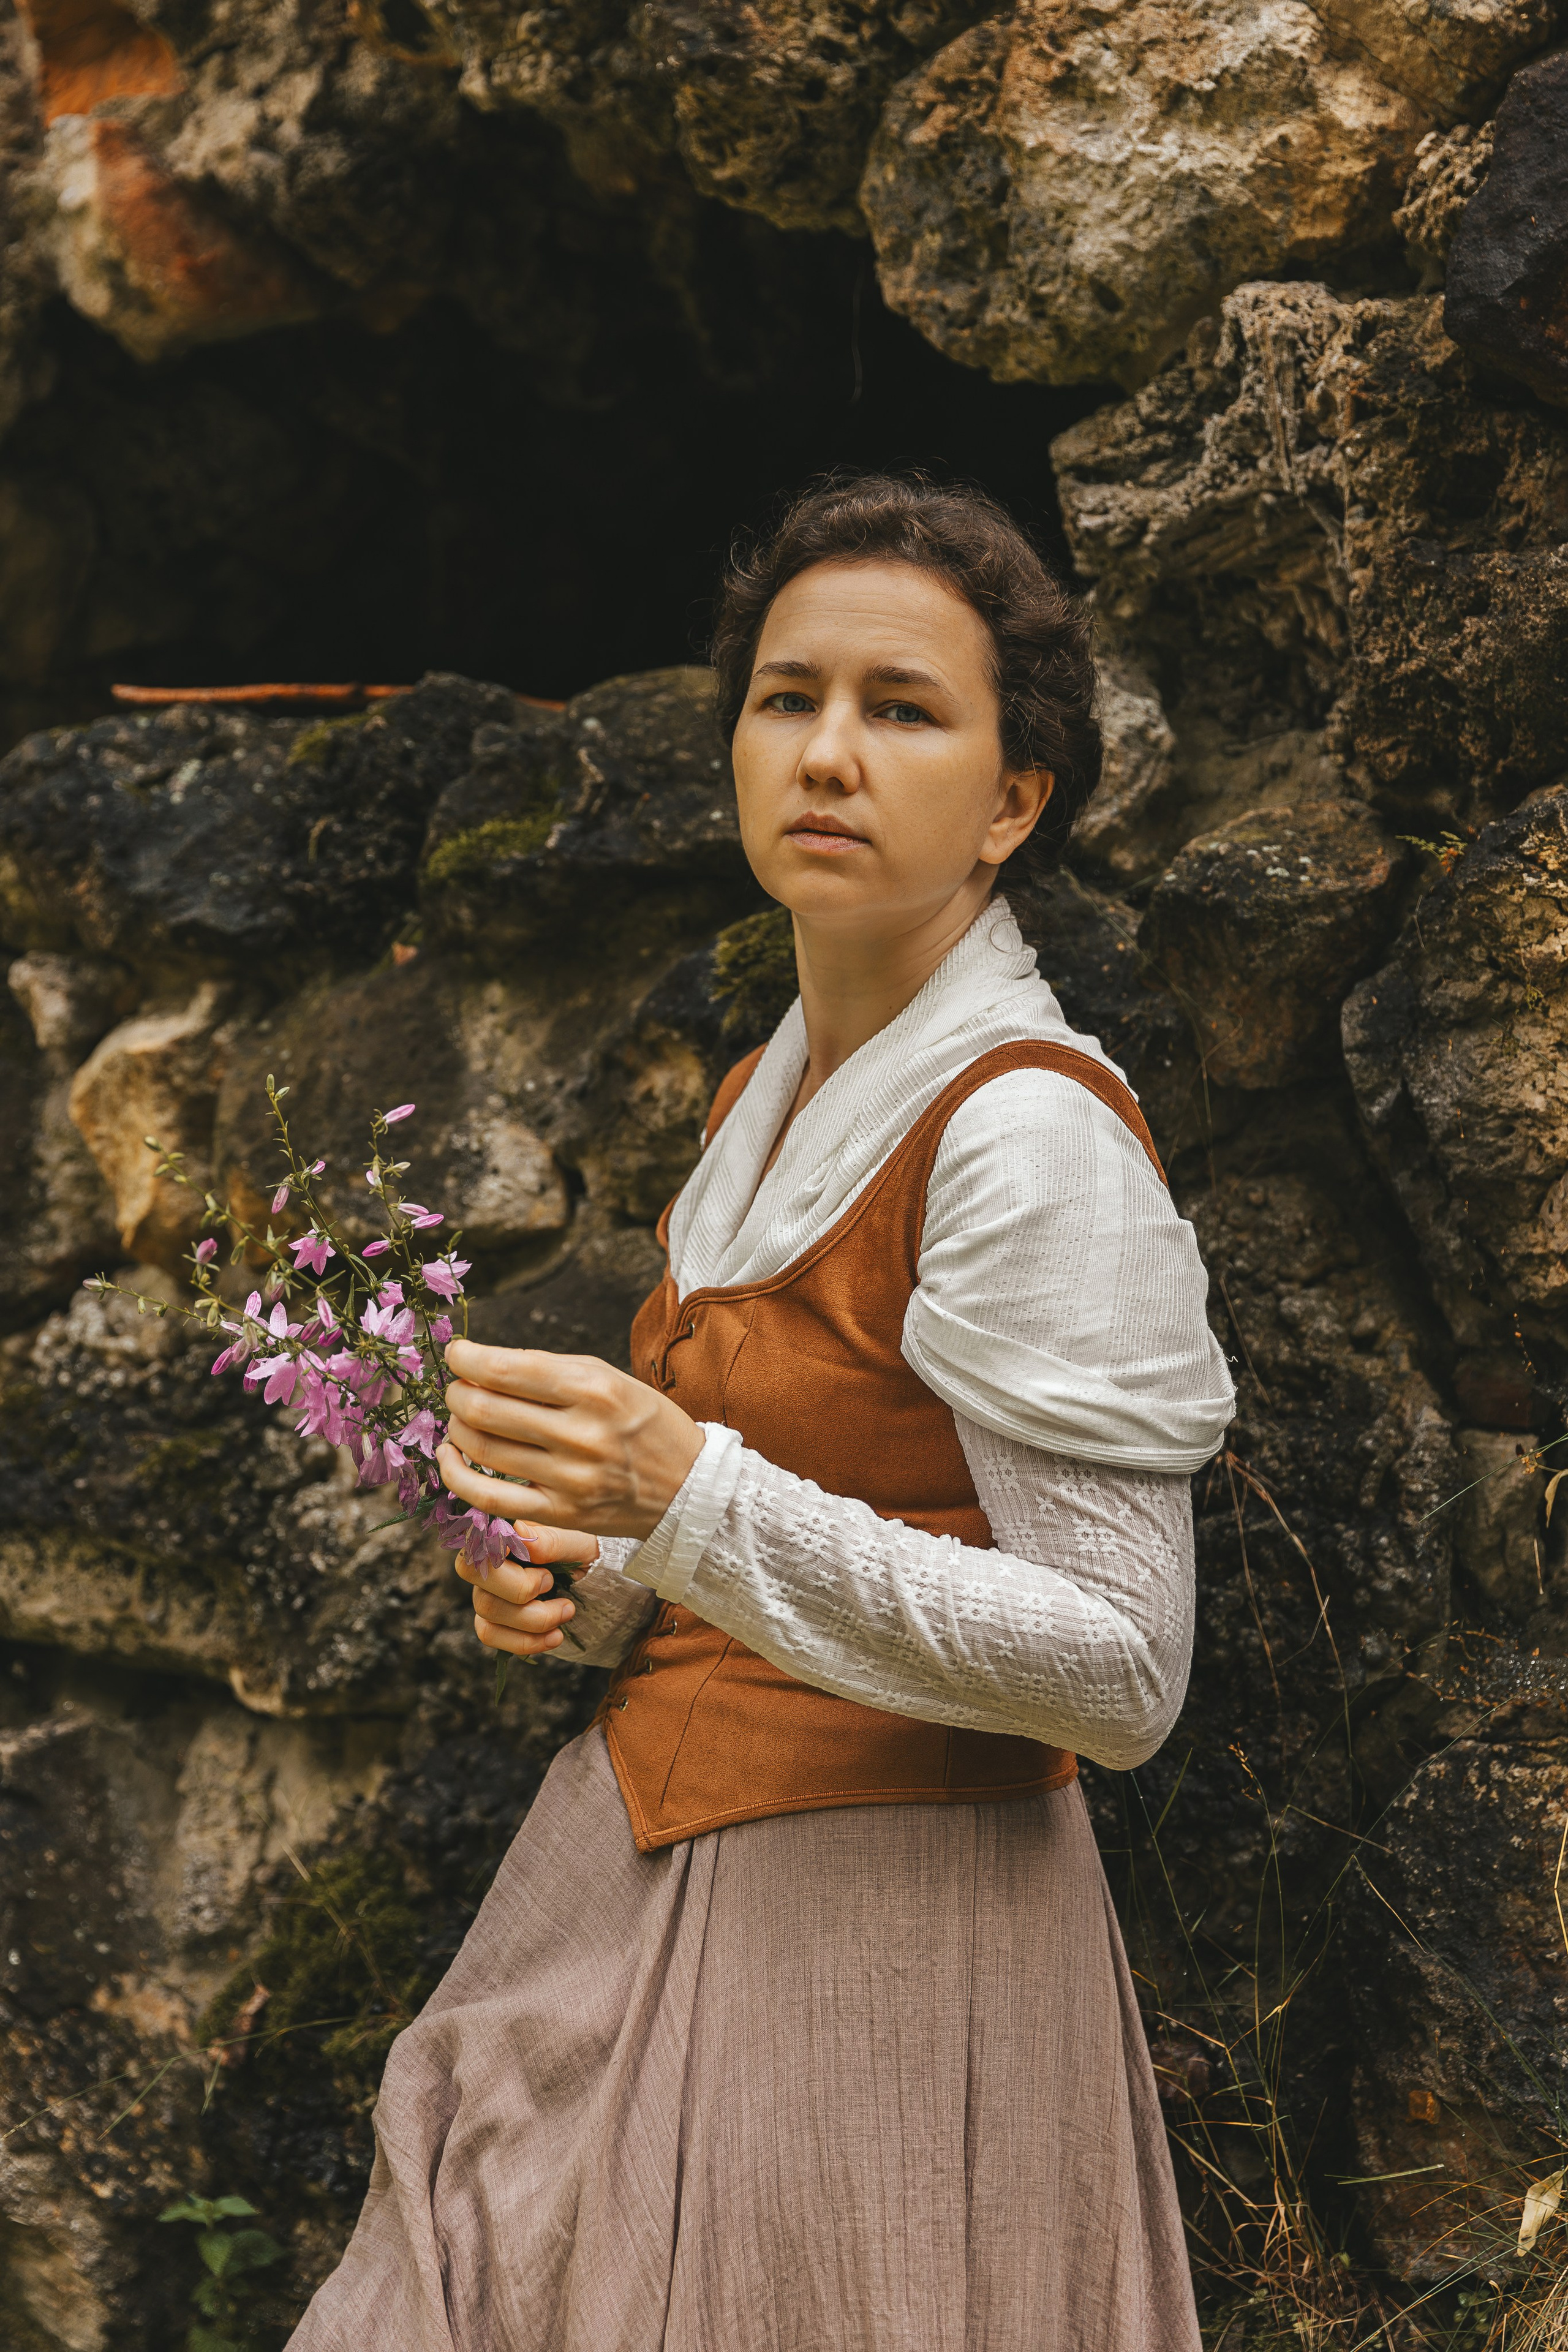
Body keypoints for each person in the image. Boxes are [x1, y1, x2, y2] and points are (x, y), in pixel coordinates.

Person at [287, 473, 1235, 2351]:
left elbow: (1126, 1672)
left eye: (903, 709)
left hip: (883, 1929)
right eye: (787, 697)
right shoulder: (766, 1098)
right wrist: (588, 1568)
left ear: (1015, 798)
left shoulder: (1027, 1135)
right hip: (636, 1870)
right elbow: (762, 1519)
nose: (827, 751)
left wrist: (689, 1487)